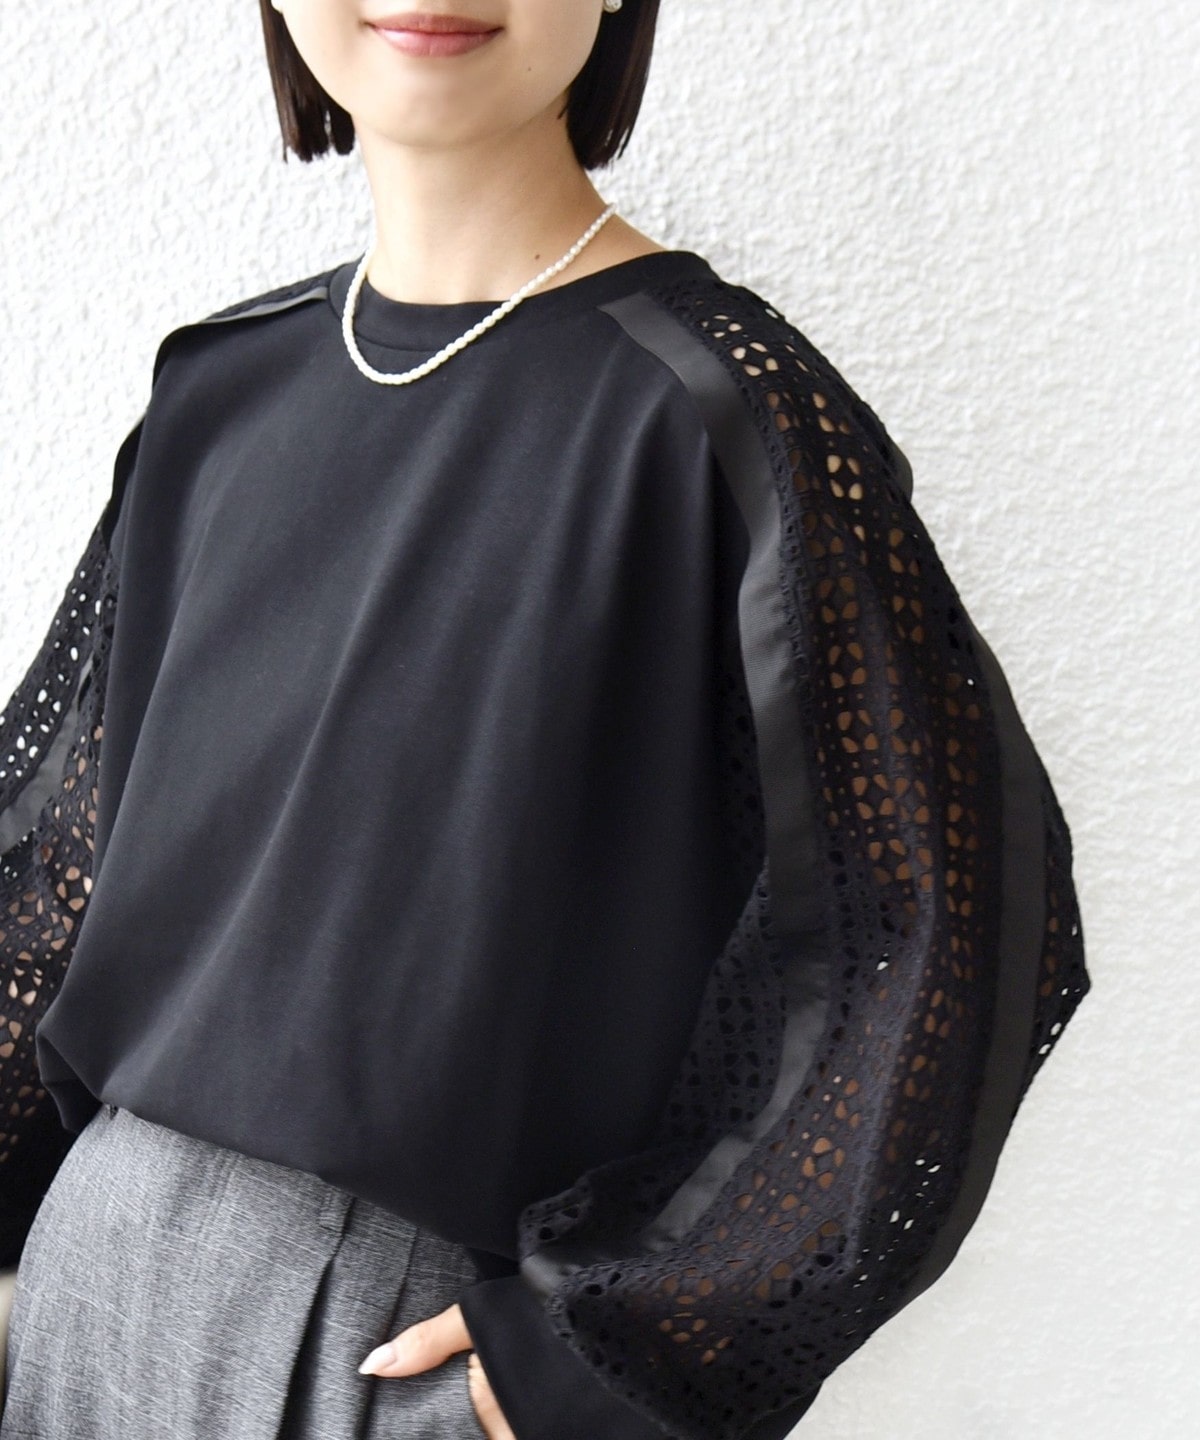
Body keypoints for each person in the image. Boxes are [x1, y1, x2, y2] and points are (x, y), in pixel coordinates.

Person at [0, 2, 1091, 1437]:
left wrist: (633, 1341)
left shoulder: (730, 414)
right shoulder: (217, 392)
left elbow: (953, 925)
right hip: (82, 1276)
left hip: (389, 1340)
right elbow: (50, 864)